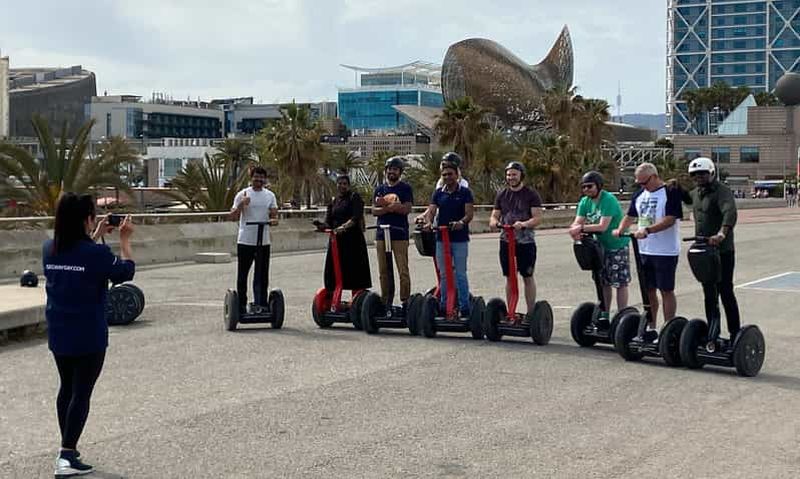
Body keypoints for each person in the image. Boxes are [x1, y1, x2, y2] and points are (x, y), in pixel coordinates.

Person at [43, 193, 135, 478]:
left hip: (59, 329)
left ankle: (67, 447)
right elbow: (126, 271)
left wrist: (94, 235)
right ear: (86, 219)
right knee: (81, 393)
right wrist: (125, 240)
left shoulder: (49, 249)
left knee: (67, 389)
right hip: (88, 333)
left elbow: (79, 261)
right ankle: (67, 455)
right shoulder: (96, 255)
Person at [613, 162, 683, 339]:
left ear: (654, 177)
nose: (642, 186)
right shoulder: (639, 195)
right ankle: (651, 326)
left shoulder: (669, 192)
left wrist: (648, 230)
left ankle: (668, 329)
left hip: (665, 251)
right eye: (639, 183)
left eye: (645, 182)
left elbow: (670, 219)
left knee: (666, 289)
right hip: (644, 250)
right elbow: (630, 215)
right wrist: (621, 228)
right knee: (648, 289)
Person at [677, 157, 741, 344]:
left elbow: (730, 211)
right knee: (708, 292)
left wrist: (722, 233)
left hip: (723, 250)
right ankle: (713, 332)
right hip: (703, 250)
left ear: (711, 173)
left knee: (725, 291)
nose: (699, 177)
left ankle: (735, 333)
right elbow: (688, 200)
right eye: (695, 175)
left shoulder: (722, 191)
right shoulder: (696, 193)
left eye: (702, 174)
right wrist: (676, 188)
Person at [569, 171, 631, 325]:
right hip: (599, 247)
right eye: (583, 187)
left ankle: (621, 315)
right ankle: (604, 313)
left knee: (619, 281)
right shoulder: (584, 202)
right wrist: (575, 229)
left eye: (589, 186)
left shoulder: (608, 200)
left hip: (616, 246)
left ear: (599, 186)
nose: (586, 190)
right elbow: (577, 222)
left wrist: (580, 228)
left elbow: (603, 226)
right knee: (603, 281)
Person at [420, 159, 475, 318]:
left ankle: (465, 307)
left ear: (457, 175)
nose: (447, 177)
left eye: (450, 174)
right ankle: (445, 306)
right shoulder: (438, 193)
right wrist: (429, 222)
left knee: (460, 274)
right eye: (444, 175)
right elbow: (431, 211)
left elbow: (469, 214)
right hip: (441, 239)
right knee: (444, 274)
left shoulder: (465, 192)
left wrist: (461, 222)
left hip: (459, 239)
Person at [489, 161, 543, 313]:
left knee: (527, 276)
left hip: (525, 242)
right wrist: (494, 222)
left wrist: (524, 224)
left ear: (521, 176)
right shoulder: (502, 194)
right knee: (509, 277)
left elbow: (538, 218)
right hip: (506, 240)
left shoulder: (531, 194)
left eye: (514, 174)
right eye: (508, 174)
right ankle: (510, 311)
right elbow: (494, 215)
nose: (511, 177)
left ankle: (531, 312)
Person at [230, 166, 279, 315]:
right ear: (251, 178)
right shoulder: (242, 194)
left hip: (263, 241)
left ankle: (261, 304)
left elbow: (275, 216)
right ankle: (241, 305)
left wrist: (273, 221)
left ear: (265, 179)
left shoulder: (270, 195)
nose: (258, 180)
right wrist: (241, 204)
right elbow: (232, 216)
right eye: (256, 177)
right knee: (243, 274)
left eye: (261, 177)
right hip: (245, 240)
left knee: (262, 274)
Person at [316, 174, 372, 293]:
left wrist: (344, 227)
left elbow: (356, 216)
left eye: (345, 184)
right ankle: (332, 297)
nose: (342, 186)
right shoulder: (334, 201)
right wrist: (321, 226)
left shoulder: (354, 197)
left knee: (354, 271)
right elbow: (329, 222)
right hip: (337, 241)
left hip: (353, 241)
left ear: (348, 185)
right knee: (334, 271)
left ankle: (357, 298)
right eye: (340, 183)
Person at [372, 156, 413, 307]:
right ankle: (385, 299)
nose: (391, 172)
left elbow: (406, 209)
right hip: (382, 234)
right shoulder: (380, 189)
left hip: (399, 234)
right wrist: (391, 208)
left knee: (402, 269)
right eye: (389, 169)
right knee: (383, 270)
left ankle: (405, 300)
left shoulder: (405, 188)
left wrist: (387, 207)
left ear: (400, 172)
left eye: (395, 169)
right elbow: (374, 211)